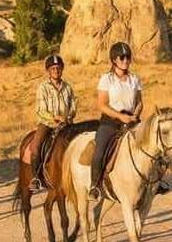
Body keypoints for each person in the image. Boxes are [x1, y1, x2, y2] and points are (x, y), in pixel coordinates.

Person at [89, 42, 143, 202]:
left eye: (128, 57)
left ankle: (156, 181)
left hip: (132, 119)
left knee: (152, 144)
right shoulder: (107, 79)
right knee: (100, 150)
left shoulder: (134, 79)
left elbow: (140, 102)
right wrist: (121, 117)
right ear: (114, 60)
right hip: (111, 121)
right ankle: (95, 185)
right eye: (122, 57)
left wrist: (135, 115)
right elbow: (102, 104)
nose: (126, 60)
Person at [29, 54, 77, 193]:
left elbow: (73, 106)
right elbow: (40, 109)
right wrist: (54, 117)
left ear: (62, 69)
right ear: (48, 71)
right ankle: (36, 177)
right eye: (53, 68)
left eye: (58, 68)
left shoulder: (68, 88)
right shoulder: (43, 88)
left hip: (66, 123)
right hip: (47, 124)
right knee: (35, 147)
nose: (56, 70)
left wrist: (68, 116)